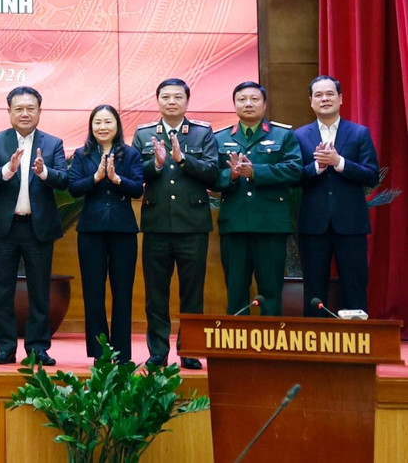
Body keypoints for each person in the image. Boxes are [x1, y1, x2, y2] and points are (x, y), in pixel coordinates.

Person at [133, 77, 219, 370]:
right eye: (166, 97)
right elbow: (134, 174)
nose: (172, 102)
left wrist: (183, 160)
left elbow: (212, 173)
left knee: (192, 292)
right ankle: (158, 351)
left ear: (187, 101)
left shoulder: (202, 133)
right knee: (156, 294)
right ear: (158, 101)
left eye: (178, 97)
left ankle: (190, 350)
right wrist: (156, 164)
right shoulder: (144, 133)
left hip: (192, 226)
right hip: (156, 225)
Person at [0, 86, 68, 366]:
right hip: (4, 228)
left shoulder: (53, 143)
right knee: (2, 290)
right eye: (19, 109)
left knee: (39, 290)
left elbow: (64, 180)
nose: (25, 113)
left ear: (40, 111)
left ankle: (38, 348)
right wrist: (9, 169)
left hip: (37, 228)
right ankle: (5, 348)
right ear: (9, 112)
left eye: (31, 108)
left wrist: (44, 172)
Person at [214, 82, 302, 318]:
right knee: (236, 292)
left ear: (264, 104)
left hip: (270, 225)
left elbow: (295, 171)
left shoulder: (283, 135)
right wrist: (231, 176)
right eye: (242, 99)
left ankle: (270, 339)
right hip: (234, 225)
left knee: (271, 292)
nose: (248, 104)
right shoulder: (220, 137)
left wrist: (256, 172)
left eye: (254, 99)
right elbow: (211, 177)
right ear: (234, 105)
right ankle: (236, 339)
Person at [295, 75, 380, 315]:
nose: (325, 99)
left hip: (351, 224)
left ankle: (357, 336)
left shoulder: (359, 133)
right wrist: (317, 167)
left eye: (330, 93)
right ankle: (315, 337)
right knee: (314, 290)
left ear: (340, 98)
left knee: (354, 286)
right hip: (313, 225)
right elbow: (293, 177)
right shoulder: (299, 136)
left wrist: (339, 162)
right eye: (318, 95)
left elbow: (372, 176)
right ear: (311, 101)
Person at [66, 105, 144, 361]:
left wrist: (117, 179)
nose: (102, 127)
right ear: (91, 126)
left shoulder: (130, 154)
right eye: (97, 122)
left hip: (123, 231)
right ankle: (99, 352)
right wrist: (96, 178)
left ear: (117, 125)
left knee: (122, 292)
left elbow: (138, 189)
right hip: (91, 231)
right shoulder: (81, 155)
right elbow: (73, 188)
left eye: (108, 122)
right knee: (93, 293)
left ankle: (121, 353)